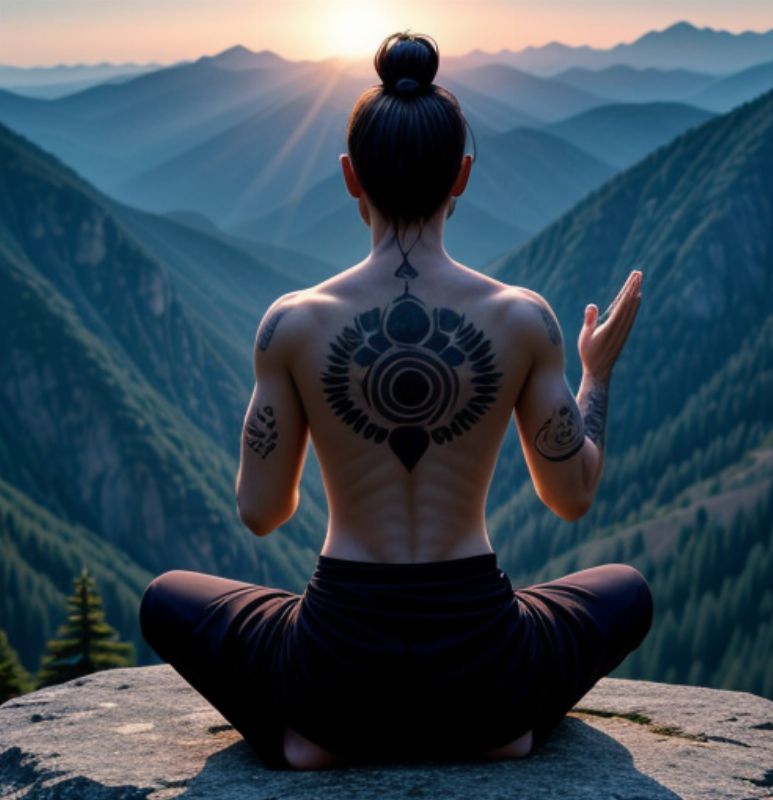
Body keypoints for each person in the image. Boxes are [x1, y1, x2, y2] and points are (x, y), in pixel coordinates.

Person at [139, 30, 651, 771]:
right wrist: (595, 375)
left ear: (350, 177)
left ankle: (311, 736)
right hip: (487, 668)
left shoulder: (292, 324)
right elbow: (571, 497)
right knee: (626, 590)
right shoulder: (523, 319)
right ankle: (498, 729)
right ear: (463, 176)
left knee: (166, 599)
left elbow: (261, 513)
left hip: (334, 669)